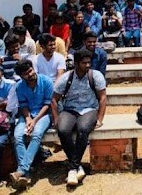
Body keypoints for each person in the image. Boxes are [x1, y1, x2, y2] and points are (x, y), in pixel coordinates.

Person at [51, 49, 107, 187]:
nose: (87, 65)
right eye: (84, 63)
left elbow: (103, 97)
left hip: (89, 109)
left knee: (83, 129)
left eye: (89, 62)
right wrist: (56, 118)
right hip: (70, 109)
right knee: (63, 130)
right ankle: (77, 167)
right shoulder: (66, 77)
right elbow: (53, 99)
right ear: (76, 63)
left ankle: (72, 168)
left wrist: (99, 118)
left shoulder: (96, 76)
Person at [10, 59, 54, 189]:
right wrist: (28, 119)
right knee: (18, 137)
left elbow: (47, 104)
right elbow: (23, 105)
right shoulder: (20, 86)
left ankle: (22, 170)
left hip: (44, 114)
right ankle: (25, 175)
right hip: (27, 115)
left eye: (30, 70)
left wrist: (34, 121)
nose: (30, 74)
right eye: (25, 73)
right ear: (21, 76)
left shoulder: (46, 81)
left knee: (36, 134)